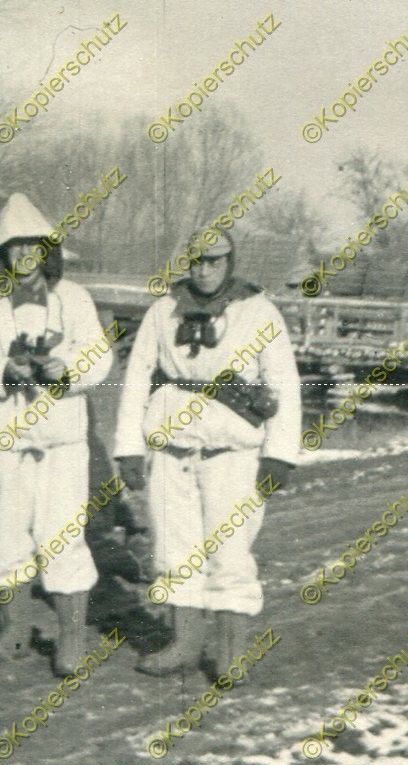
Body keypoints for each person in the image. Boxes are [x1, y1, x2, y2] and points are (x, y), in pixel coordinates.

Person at [113, 230, 301, 676]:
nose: (204, 270)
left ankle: (230, 652)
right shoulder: (163, 311)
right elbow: (137, 378)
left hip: (231, 452)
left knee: (229, 552)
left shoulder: (258, 312)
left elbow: (283, 384)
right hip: (171, 447)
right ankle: (184, 644)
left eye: (214, 261)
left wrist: (279, 455)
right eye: (197, 261)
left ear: (229, 262)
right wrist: (128, 449)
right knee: (173, 549)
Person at [0, 193, 113, 676]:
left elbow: (99, 356)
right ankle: (13, 630)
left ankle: (71, 639)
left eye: (32, 245)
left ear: (47, 251)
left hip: (60, 442)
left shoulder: (73, 299)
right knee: (3, 537)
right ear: (1, 252)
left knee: (62, 536)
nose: (24, 255)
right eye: (14, 246)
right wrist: (3, 370)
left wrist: (66, 367)